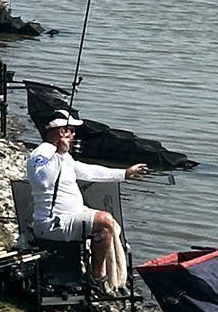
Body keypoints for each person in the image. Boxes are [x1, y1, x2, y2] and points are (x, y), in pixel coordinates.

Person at [23, 110, 145, 294]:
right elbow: (43, 181)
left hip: (69, 218)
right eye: (70, 130)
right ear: (59, 131)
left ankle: (106, 276)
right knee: (104, 219)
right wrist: (60, 153)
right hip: (53, 223)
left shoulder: (62, 156)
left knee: (108, 226)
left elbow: (88, 171)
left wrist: (124, 173)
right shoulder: (41, 154)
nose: (73, 135)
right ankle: (97, 276)